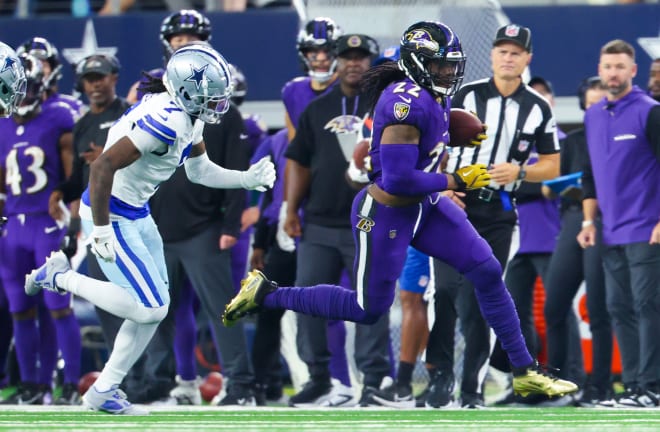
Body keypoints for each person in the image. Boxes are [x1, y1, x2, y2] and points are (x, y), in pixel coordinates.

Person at [223, 20, 578, 405]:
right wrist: (456, 180)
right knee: (367, 309)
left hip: (425, 207)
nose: (449, 73)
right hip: (386, 212)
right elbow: (396, 180)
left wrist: (452, 133)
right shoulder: (402, 103)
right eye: (441, 66)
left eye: (453, 65)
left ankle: (524, 371)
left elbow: (427, 144)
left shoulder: (432, 93)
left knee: (488, 270)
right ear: (417, 63)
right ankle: (267, 294)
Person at [24, 43, 275, 415]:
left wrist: (244, 179)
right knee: (150, 308)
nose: (219, 104)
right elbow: (101, 167)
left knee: (153, 308)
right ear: (187, 91)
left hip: (137, 211)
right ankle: (61, 277)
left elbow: (198, 170)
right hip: (111, 213)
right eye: (213, 96)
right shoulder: (169, 118)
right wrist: (103, 230)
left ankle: (103, 390)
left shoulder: (189, 113)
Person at [426, 23, 563, 409]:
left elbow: (552, 165)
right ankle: (439, 379)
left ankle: (471, 389)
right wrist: (444, 187)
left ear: (527, 58)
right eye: (502, 50)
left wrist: (520, 172)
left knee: (481, 301)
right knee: (446, 293)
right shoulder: (464, 95)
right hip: (456, 204)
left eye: (516, 52)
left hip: (499, 212)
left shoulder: (538, 106)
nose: (508, 57)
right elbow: (432, 145)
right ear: (491, 54)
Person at [279, 32, 393, 408]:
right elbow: (298, 160)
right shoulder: (315, 109)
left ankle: (373, 380)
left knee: (370, 301)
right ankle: (319, 378)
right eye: (347, 56)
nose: (354, 62)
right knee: (308, 298)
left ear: (372, 61)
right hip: (320, 222)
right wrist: (290, 208)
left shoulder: (389, 106)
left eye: (362, 56)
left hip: (370, 220)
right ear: (337, 60)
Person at [577, 39, 660, 408]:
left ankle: (653, 385)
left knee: (647, 306)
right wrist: (588, 221)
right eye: (607, 66)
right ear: (601, 68)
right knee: (618, 308)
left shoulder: (650, 112)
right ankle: (633, 387)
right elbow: (591, 175)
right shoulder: (593, 115)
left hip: (647, 228)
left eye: (619, 66)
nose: (612, 73)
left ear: (632, 71)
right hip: (609, 231)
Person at [0, 53, 79, 405]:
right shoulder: (3, 125)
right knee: (19, 308)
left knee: (58, 306)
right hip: (14, 226)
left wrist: (71, 218)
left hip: (45, 223)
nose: (23, 94)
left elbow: (72, 176)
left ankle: (70, 383)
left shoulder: (58, 117)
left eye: (30, 86)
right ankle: (32, 384)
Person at [543, 76, 614, 408]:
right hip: (573, 218)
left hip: (605, 221)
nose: (596, 108)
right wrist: (554, 186)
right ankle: (559, 385)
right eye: (591, 103)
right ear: (584, 106)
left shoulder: (619, 139)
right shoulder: (572, 141)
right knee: (554, 305)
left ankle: (598, 388)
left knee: (598, 309)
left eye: (603, 103)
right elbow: (557, 182)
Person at [16, 37, 84, 115]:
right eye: (32, 64)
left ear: (53, 70)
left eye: (43, 65)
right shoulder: (7, 108)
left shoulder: (71, 107)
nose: (38, 69)